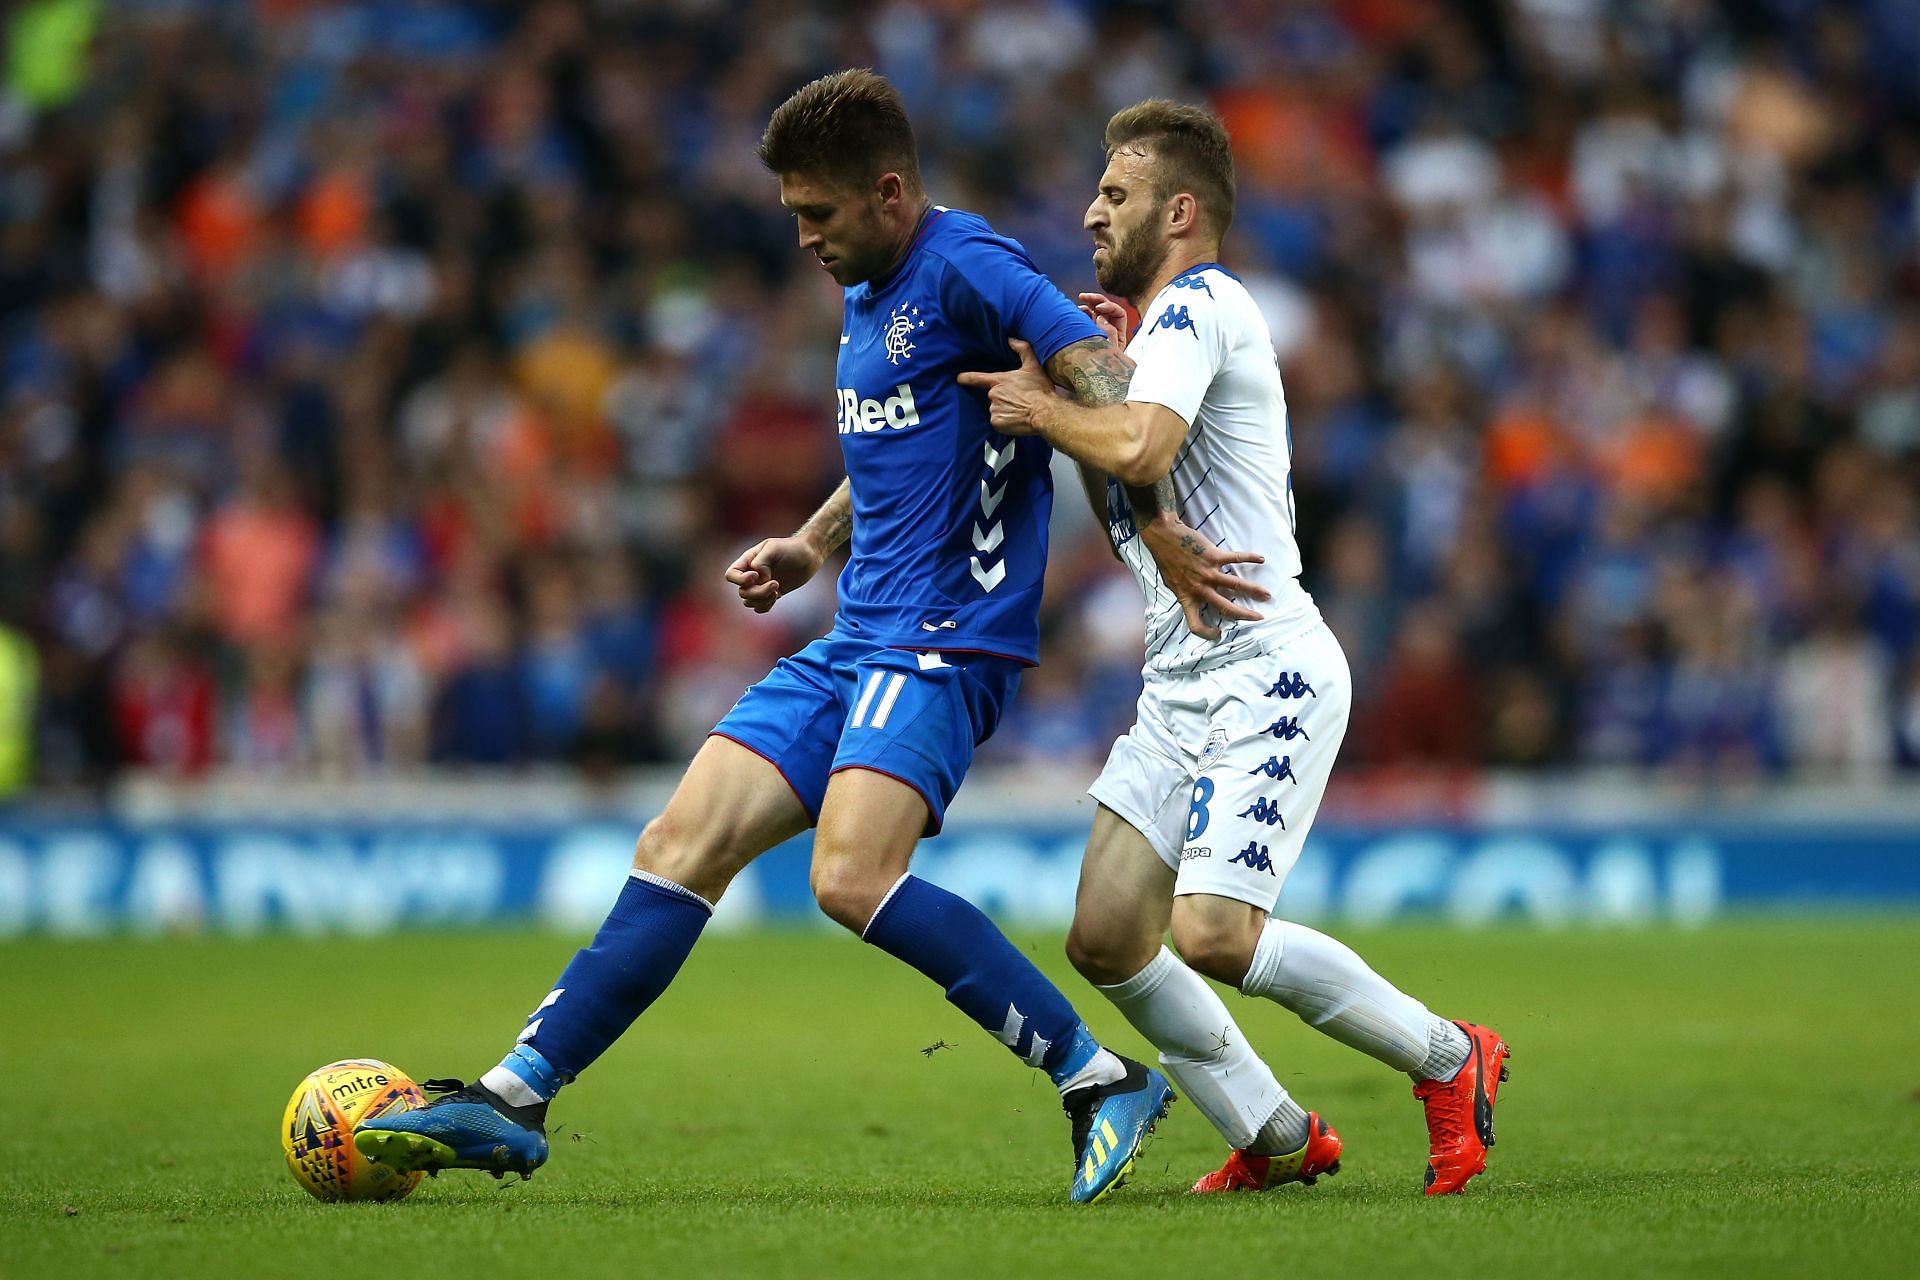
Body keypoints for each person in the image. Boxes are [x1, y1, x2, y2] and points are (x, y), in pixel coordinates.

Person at [354, 70, 1259, 1205]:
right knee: (681, 839)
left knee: (849, 876)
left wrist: (1157, 525)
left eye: (817, 214)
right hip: (854, 634)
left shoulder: (972, 266)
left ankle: (1096, 1076)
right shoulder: (869, 280)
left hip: (943, 639)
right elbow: (905, 432)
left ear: (888, 192)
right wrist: (810, 542)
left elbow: (1109, 391)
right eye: (792, 214)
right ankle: (515, 1095)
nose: (801, 237)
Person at [957, 100, 1511, 1196]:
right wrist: (1079, 381)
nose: (1089, 210)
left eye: (1113, 195)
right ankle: (1273, 1130)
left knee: (1211, 930)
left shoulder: (1201, 304)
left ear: (1178, 209)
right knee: (1108, 935)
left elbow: (1141, 441)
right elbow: (1128, 486)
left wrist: (1042, 402)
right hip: (1178, 682)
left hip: (1268, 665)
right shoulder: (1140, 337)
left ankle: (1452, 1056)